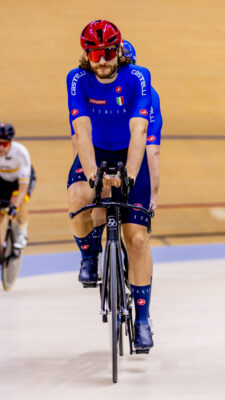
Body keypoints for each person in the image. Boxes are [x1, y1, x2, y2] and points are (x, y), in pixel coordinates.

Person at [66, 20, 154, 350]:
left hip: (130, 153)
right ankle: (90, 255)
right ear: (86, 55)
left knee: (137, 238)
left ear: (118, 51)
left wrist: (129, 173)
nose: (101, 61)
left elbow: (139, 130)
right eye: (94, 54)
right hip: (97, 151)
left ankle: (142, 320)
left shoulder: (138, 77)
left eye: (107, 53)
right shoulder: (77, 79)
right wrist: (93, 175)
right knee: (78, 197)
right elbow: (82, 130)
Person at [69, 38, 162, 282]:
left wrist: (88, 181)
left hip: (112, 153)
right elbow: (151, 151)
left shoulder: (90, 86)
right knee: (134, 232)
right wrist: (153, 195)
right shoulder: (146, 91)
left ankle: (94, 253)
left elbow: (78, 142)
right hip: (123, 154)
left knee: (97, 201)